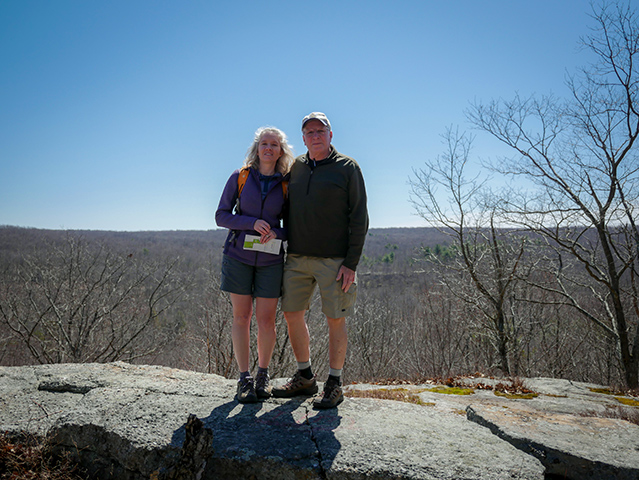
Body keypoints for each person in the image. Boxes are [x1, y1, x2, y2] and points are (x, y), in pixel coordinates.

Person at [272, 112, 368, 409]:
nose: (315, 135)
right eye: (309, 131)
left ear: (330, 135)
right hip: (297, 257)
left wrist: (351, 263)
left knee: (335, 319)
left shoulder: (347, 168)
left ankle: (335, 383)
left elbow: (360, 217)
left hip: (335, 260)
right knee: (291, 313)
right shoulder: (297, 167)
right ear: (303, 138)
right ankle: (305, 377)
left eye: (320, 130)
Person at [215, 126, 294, 403]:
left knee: (266, 320)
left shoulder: (286, 183)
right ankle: (244, 378)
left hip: (271, 260)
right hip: (238, 257)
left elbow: (293, 226)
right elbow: (221, 216)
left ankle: (263, 375)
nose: (268, 148)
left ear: (281, 151)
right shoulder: (240, 176)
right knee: (241, 317)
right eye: (264, 143)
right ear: (257, 148)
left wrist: (278, 232)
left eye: (274, 144)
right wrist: (251, 223)